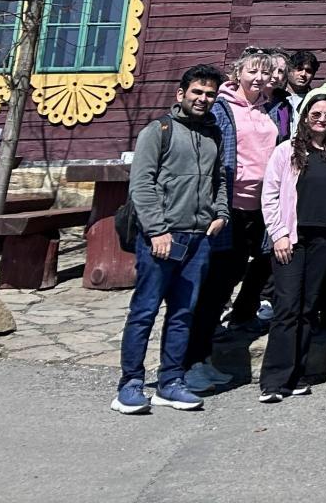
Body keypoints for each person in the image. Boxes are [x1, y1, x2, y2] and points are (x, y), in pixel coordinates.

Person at [113, 65, 230, 415]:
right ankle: (130, 384)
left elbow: (219, 178)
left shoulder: (213, 134)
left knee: (183, 313)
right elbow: (142, 185)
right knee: (145, 311)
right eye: (197, 92)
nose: (203, 99)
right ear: (181, 94)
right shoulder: (158, 131)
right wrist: (157, 230)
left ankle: (170, 382)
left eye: (209, 94)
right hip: (161, 238)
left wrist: (221, 213)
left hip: (199, 239)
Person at [183, 50, 280, 392]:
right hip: (229, 208)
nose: (259, 78)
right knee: (213, 287)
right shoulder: (223, 109)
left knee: (231, 279)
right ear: (238, 73)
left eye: (265, 73)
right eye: (252, 71)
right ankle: (191, 362)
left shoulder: (267, 109)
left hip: (258, 209)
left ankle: (202, 356)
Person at [257, 93, 326, 404]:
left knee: (307, 308)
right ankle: (274, 380)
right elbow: (270, 194)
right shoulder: (286, 151)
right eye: (316, 114)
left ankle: (297, 375)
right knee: (287, 306)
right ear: (305, 115)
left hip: (325, 240)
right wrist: (278, 234)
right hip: (292, 237)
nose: (322, 120)